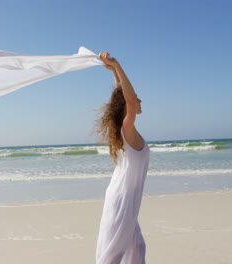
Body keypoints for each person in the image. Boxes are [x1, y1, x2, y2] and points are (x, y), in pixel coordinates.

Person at [95, 52, 150, 264]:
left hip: (123, 199)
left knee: (135, 247)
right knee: (114, 255)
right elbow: (127, 98)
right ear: (129, 106)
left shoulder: (126, 130)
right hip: (122, 201)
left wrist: (113, 73)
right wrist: (117, 65)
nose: (139, 100)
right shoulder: (126, 129)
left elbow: (124, 97)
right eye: (136, 98)